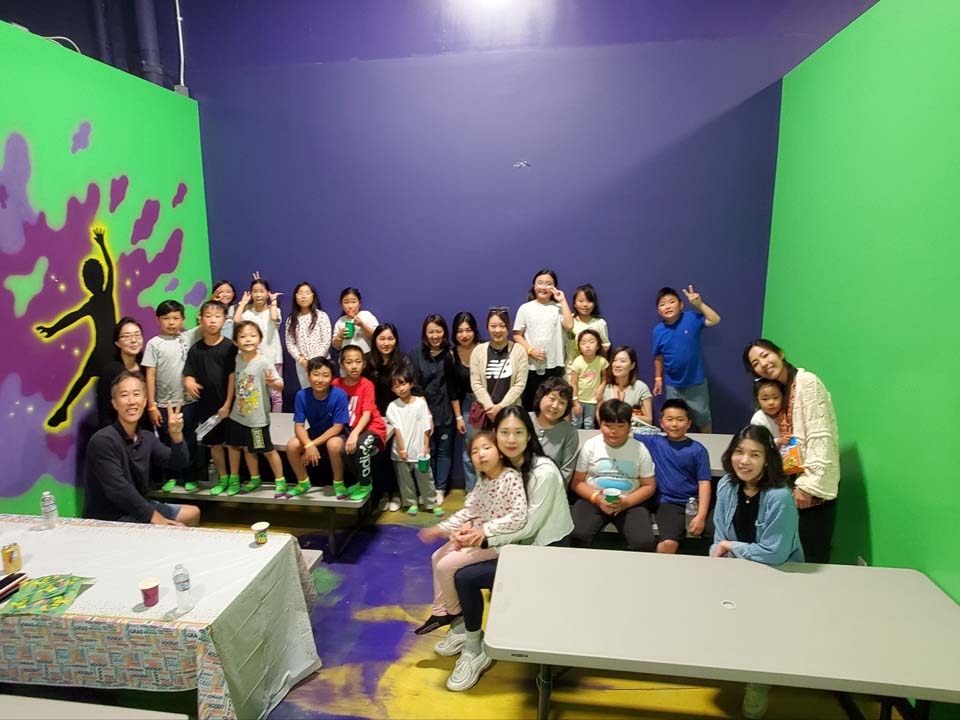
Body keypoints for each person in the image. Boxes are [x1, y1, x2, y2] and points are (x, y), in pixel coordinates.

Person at [439, 407, 573, 692]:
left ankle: (474, 648)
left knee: (464, 576)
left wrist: (484, 536)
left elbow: (529, 527)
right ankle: (464, 629)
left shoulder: (544, 473)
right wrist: (468, 527)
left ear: (529, 435)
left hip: (544, 551)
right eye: (504, 432)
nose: (511, 439)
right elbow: (483, 506)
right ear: (495, 435)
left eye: (518, 432)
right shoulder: (499, 466)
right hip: (515, 545)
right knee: (448, 556)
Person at [710, 424, 804, 720]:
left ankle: (758, 680)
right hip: (737, 568)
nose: (744, 461)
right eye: (739, 452)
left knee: (764, 628)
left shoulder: (780, 496)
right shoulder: (727, 485)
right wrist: (718, 556)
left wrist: (730, 546)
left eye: (755, 454)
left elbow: (774, 553)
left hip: (777, 573)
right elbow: (719, 535)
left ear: (767, 460)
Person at [415, 431, 527, 637]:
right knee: (436, 556)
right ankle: (440, 611)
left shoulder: (510, 478)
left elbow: (518, 517)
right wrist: (444, 529)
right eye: (474, 451)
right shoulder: (484, 480)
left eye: (486, 448)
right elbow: (470, 511)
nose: (480, 454)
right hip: (478, 535)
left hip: (497, 542)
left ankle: (454, 613)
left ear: (500, 452)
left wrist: (481, 530)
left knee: (445, 565)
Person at [743, 338, 840, 564]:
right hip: (792, 484)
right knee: (791, 554)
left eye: (765, 355)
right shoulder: (783, 391)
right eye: (756, 363)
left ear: (780, 353)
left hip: (811, 488)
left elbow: (820, 437)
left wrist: (808, 487)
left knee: (812, 557)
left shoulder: (806, 382)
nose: (763, 364)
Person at [84, 370, 200, 526]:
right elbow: (119, 490)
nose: (131, 401)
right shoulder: (102, 441)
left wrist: (176, 435)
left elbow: (179, 463)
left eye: (136, 394)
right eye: (124, 395)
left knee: (192, 513)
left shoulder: (146, 437)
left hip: (139, 506)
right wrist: (156, 519)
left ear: (145, 401)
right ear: (114, 403)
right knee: (168, 529)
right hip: (110, 516)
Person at [36, 226, 117, 428]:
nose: (88, 282)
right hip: (103, 351)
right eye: (87, 278)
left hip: (107, 352)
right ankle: (64, 411)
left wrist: (102, 245)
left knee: (87, 380)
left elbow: (110, 269)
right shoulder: (99, 299)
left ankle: (64, 410)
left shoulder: (102, 298)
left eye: (88, 278)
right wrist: (52, 329)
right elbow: (71, 317)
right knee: (86, 380)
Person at [569, 399, 657, 551]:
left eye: (620, 426)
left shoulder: (640, 449)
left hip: (629, 501)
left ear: (629, 426)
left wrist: (626, 502)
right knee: (576, 534)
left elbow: (649, 486)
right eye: (608, 426)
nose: (613, 431)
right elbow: (577, 482)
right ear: (600, 424)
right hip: (593, 499)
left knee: (644, 542)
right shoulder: (591, 445)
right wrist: (597, 499)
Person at [637, 399, 711, 554]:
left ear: (689, 423)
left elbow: (704, 482)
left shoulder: (698, 450)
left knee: (672, 543)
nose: (674, 424)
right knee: (664, 543)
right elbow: (624, 432)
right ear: (661, 423)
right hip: (663, 501)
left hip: (684, 502)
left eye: (680, 419)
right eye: (669, 419)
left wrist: (701, 516)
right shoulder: (654, 442)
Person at [142, 299, 200, 492]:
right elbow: (150, 375)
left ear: (183, 319)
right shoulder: (154, 344)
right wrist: (151, 405)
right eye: (166, 318)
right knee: (167, 440)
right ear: (158, 320)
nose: (171, 322)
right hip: (163, 404)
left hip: (188, 402)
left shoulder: (188, 337)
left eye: (176, 318)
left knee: (189, 439)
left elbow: (209, 323)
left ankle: (190, 476)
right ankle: (172, 475)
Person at [226, 321, 285, 496]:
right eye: (243, 336)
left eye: (252, 335)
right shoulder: (237, 359)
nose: (248, 339)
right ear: (235, 341)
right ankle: (254, 479)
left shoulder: (264, 362)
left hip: (257, 419)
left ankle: (280, 481)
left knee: (267, 450)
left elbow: (280, 384)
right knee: (244, 448)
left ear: (260, 339)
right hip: (238, 416)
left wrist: (273, 383)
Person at [182, 301, 236, 493]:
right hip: (206, 407)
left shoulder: (230, 347)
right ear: (200, 319)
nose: (213, 321)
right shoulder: (196, 349)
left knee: (233, 445)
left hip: (229, 406)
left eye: (217, 316)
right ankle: (222, 479)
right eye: (208, 316)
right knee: (214, 445)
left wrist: (227, 404)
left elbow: (232, 377)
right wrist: (188, 381)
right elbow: (188, 372)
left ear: (224, 320)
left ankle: (235, 479)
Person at [652, 284, 721, 433]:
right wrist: (658, 378)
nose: (667, 306)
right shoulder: (658, 330)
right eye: (662, 304)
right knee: (674, 420)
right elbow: (658, 355)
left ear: (681, 304)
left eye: (671, 302)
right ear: (658, 311)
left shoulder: (691, 318)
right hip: (673, 385)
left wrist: (699, 305)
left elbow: (715, 320)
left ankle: (707, 444)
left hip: (696, 382)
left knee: (703, 418)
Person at [284, 357, 349, 499]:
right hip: (314, 432)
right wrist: (308, 444)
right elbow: (299, 426)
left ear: (332, 378)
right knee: (292, 445)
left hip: (335, 434)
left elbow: (337, 427)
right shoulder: (301, 395)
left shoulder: (340, 395)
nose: (320, 380)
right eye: (315, 374)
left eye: (325, 375)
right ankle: (303, 482)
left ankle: (338, 483)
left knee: (333, 444)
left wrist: (311, 444)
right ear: (308, 376)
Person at [409, 314, 457, 505]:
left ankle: (440, 488)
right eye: (431, 332)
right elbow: (414, 384)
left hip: (446, 410)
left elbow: (454, 385)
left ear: (444, 332)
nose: (435, 335)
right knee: (427, 451)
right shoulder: (416, 353)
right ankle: (426, 488)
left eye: (438, 331)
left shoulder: (451, 353)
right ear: (425, 333)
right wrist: (426, 412)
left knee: (444, 452)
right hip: (422, 411)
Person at [331, 345, 387, 501]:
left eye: (358, 362)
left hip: (372, 428)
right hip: (350, 429)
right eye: (349, 362)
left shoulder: (367, 385)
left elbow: (367, 414)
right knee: (345, 450)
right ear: (342, 365)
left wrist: (355, 434)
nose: (354, 366)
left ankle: (366, 484)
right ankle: (359, 481)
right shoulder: (336, 384)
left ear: (363, 364)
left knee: (361, 446)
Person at [513, 269, 574, 410]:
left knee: (552, 405)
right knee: (531, 405)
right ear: (534, 286)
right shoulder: (525, 308)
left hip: (554, 365)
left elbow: (569, 325)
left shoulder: (558, 307)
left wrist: (562, 300)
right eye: (540, 283)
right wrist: (530, 350)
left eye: (548, 284)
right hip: (531, 366)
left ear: (554, 287)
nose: (543, 287)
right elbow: (517, 335)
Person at [385, 367, 441, 516]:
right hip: (401, 453)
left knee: (426, 478)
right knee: (405, 481)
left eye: (403, 384)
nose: (401, 388)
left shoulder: (420, 403)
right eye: (397, 386)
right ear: (393, 389)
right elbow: (397, 429)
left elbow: (426, 426)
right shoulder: (393, 407)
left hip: (420, 451)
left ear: (411, 384)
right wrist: (402, 449)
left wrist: (426, 446)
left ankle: (431, 503)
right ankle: (411, 503)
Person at [469, 307, 528, 428]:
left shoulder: (519, 351)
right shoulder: (478, 351)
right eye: (493, 326)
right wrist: (490, 407)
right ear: (487, 327)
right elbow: (476, 383)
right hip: (486, 412)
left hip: (511, 412)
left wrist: (501, 407)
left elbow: (519, 384)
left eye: (502, 326)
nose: (497, 330)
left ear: (508, 327)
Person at [233, 274, 283, 412]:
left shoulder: (274, 310)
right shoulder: (248, 314)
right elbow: (236, 320)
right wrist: (243, 303)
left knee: (276, 395)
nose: (258, 295)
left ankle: (276, 422)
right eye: (255, 291)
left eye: (262, 291)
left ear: (267, 293)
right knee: (255, 392)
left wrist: (274, 300)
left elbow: (274, 317)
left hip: (273, 357)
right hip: (253, 359)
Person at [96, 317, 146, 429]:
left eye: (137, 335)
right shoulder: (111, 371)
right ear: (117, 343)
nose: (133, 340)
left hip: (143, 431)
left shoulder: (147, 369)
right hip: (118, 432)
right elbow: (105, 411)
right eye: (127, 336)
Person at [529, 376, 579, 486]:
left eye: (562, 403)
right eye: (552, 399)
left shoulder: (569, 432)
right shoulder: (524, 420)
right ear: (540, 396)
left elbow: (566, 471)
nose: (555, 406)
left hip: (551, 489)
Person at [449, 312, 480, 492]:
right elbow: (452, 388)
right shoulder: (452, 354)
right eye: (460, 331)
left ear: (474, 331)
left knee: (490, 447)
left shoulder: (484, 349)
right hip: (467, 404)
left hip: (488, 403)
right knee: (470, 449)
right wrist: (458, 417)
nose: (464, 335)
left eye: (468, 330)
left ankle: (490, 490)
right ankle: (472, 490)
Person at [284, 282, 332, 389]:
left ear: (312, 296)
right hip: (303, 365)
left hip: (321, 362)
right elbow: (290, 343)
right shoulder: (291, 319)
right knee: (307, 391)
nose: (303, 296)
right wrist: (301, 360)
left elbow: (326, 340)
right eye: (300, 293)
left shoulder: (321, 316)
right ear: (295, 296)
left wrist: (315, 361)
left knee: (323, 391)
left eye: (307, 293)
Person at [598, 346, 654, 426]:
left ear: (632, 365)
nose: (617, 365)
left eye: (622, 361)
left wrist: (624, 413)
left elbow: (649, 420)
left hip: (634, 431)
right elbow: (600, 418)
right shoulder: (604, 387)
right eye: (614, 360)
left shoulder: (641, 388)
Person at [363, 323, 412, 415]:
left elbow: (414, 389)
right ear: (375, 340)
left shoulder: (404, 360)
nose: (386, 343)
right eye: (382, 339)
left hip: (399, 413)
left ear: (396, 340)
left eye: (390, 339)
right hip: (372, 414)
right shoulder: (365, 360)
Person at [569, 329, 609, 429]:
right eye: (583, 343)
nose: (587, 346)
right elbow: (573, 383)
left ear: (598, 346)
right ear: (579, 347)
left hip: (592, 400)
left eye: (591, 342)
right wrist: (575, 401)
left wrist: (601, 387)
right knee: (576, 423)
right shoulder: (577, 361)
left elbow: (605, 377)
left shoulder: (602, 361)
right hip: (578, 399)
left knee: (589, 423)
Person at [567, 283, 611, 364]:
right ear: (574, 304)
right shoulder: (569, 321)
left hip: (592, 368)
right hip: (571, 366)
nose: (585, 305)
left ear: (594, 304)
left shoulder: (599, 323)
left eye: (589, 301)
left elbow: (605, 347)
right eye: (581, 301)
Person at [331, 287, 379, 356]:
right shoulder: (340, 321)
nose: (350, 306)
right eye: (346, 302)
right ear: (341, 304)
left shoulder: (366, 315)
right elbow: (336, 346)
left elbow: (376, 336)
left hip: (366, 356)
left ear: (360, 303)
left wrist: (362, 325)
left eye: (354, 302)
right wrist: (339, 337)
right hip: (347, 358)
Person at [750, 378, 787, 444]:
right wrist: (778, 441)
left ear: (782, 397)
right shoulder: (757, 420)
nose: (771, 403)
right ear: (757, 400)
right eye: (765, 399)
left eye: (775, 397)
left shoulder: (786, 413)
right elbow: (759, 442)